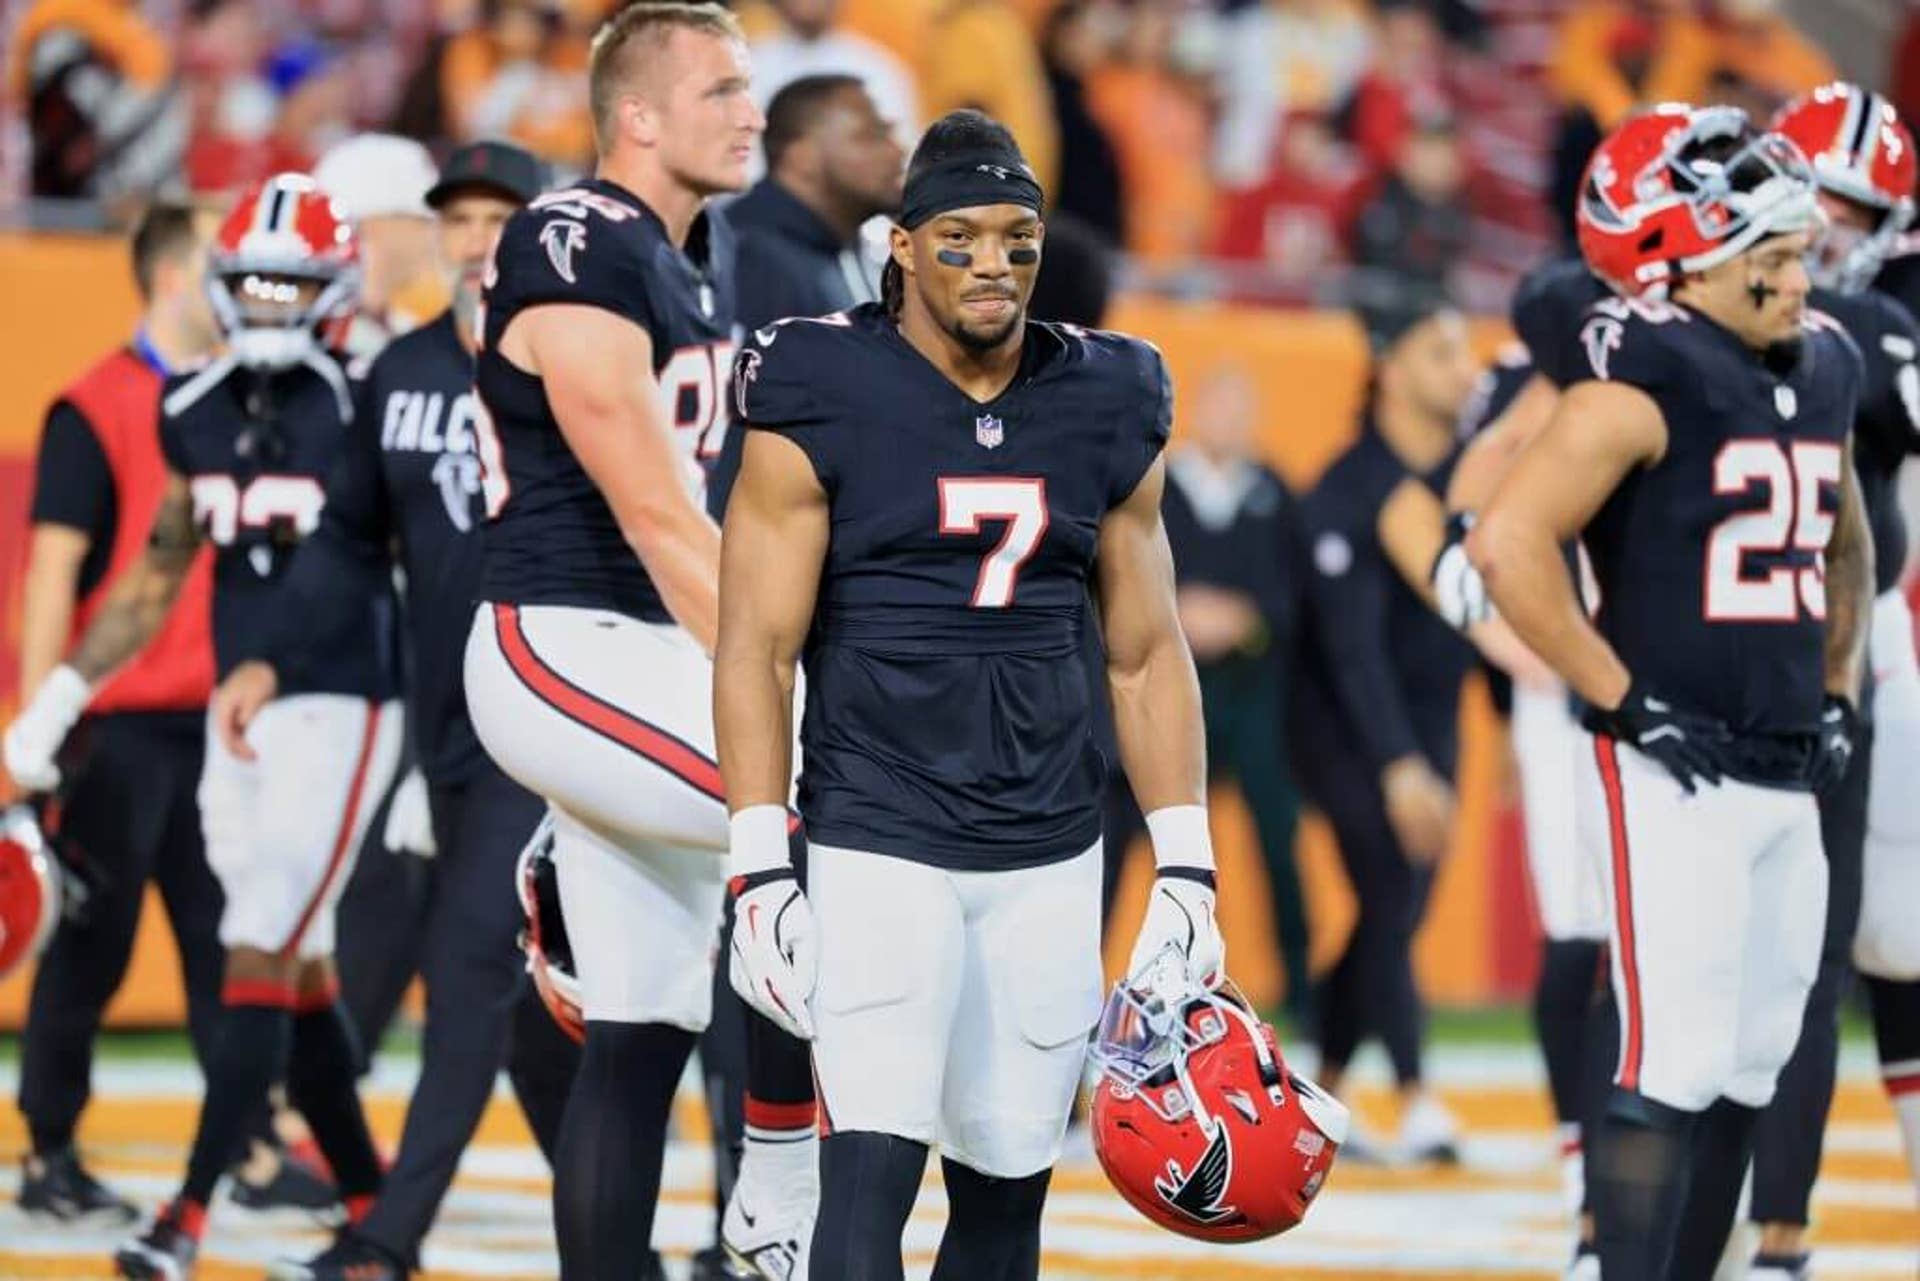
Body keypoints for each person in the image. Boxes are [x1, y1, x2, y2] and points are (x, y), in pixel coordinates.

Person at [717, 107, 1224, 1281]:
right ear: (900, 245)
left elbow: (1144, 649)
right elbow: (755, 644)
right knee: (874, 1176)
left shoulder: (1111, 392)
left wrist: (1186, 862)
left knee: (1007, 1188)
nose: (994, 261)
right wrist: (756, 857)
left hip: (1050, 839)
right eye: (960, 236)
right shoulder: (818, 378)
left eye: (1017, 237)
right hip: (879, 827)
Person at [1469, 105, 1872, 1278]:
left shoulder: (1826, 364)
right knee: (1674, 1059)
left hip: (1788, 758)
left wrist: (1837, 683)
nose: (1804, 276)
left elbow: (1844, 538)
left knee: (1754, 1055)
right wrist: (1620, 694)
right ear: (1686, 258)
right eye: (1777, 256)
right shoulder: (1639, 380)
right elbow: (1507, 543)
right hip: (1672, 765)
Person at [454, 7, 817, 1278]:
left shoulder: (684, 254)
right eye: (722, 88)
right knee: (820, 820)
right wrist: (785, 683)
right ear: (639, 118)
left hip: (647, 658)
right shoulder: (573, 237)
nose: (751, 111)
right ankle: (773, 1196)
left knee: (640, 1033)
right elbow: (657, 511)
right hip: (563, 641)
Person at [4, 172, 407, 1281]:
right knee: (298, 961)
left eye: (295, 285)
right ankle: (376, 1201)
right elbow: (153, 576)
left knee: (259, 942)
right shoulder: (191, 407)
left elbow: (418, 573)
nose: (273, 307)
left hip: (346, 701)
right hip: (242, 717)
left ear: (335, 291)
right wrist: (53, 701)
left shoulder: (367, 400)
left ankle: (184, 1212)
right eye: (256, 285)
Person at [208, 140, 583, 1281]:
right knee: (518, 1021)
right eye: (458, 221)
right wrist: (270, 657)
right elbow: (343, 540)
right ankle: (611, 1239)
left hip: (557, 717)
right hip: (448, 731)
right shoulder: (402, 373)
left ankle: (386, 1237)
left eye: (496, 219)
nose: (476, 241)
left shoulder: (588, 355)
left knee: (467, 963)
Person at [10, 202, 222, 1228]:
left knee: (235, 947)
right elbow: (52, 568)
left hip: (225, 722)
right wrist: (40, 724)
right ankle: (48, 1148)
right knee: (89, 949)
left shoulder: (245, 396)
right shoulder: (96, 404)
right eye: (224, 262)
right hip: (122, 721)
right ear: (177, 276)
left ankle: (248, 1145)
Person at [1740, 83, 1920, 1281]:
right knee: (1720, 960)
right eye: (1811, 201)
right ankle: (1628, 1224)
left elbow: (1888, 388)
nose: (1830, 227)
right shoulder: (1695, 297)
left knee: (1889, 946)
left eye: (1850, 206)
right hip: (1717, 650)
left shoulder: (1881, 314)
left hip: (1863, 649)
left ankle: (1781, 1240)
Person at [1291, 296, 1481, 1164]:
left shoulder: (1473, 478)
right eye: (1442, 350)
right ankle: (1414, 1091)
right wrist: (1400, 763)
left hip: (1435, 714)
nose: (1465, 368)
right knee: (1391, 885)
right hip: (1341, 722)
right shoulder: (1347, 486)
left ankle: (1317, 1082)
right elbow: (1350, 646)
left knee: (1392, 912)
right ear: (1392, 368)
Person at [1103, 365, 1311, 1020]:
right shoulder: (1160, 486)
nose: (1231, 422)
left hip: (1251, 695)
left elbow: (1295, 596)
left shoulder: (1272, 492)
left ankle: (1302, 990)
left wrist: (1247, 620)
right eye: (1220, 407)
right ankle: (1089, 977)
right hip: (1164, 688)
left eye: (1241, 409)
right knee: (1123, 838)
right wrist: (1177, 612)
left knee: (1279, 840)